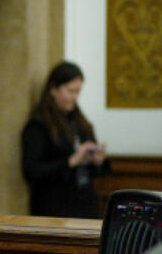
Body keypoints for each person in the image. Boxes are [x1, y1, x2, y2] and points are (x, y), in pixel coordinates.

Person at [20, 61, 109, 218]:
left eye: (78, 92)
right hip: (54, 209)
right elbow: (31, 171)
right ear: (54, 89)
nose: (75, 97)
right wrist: (72, 161)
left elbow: (99, 172)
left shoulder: (80, 122)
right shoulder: (38, 125)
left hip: (85, 204)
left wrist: (97, 159)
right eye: (70, 91)